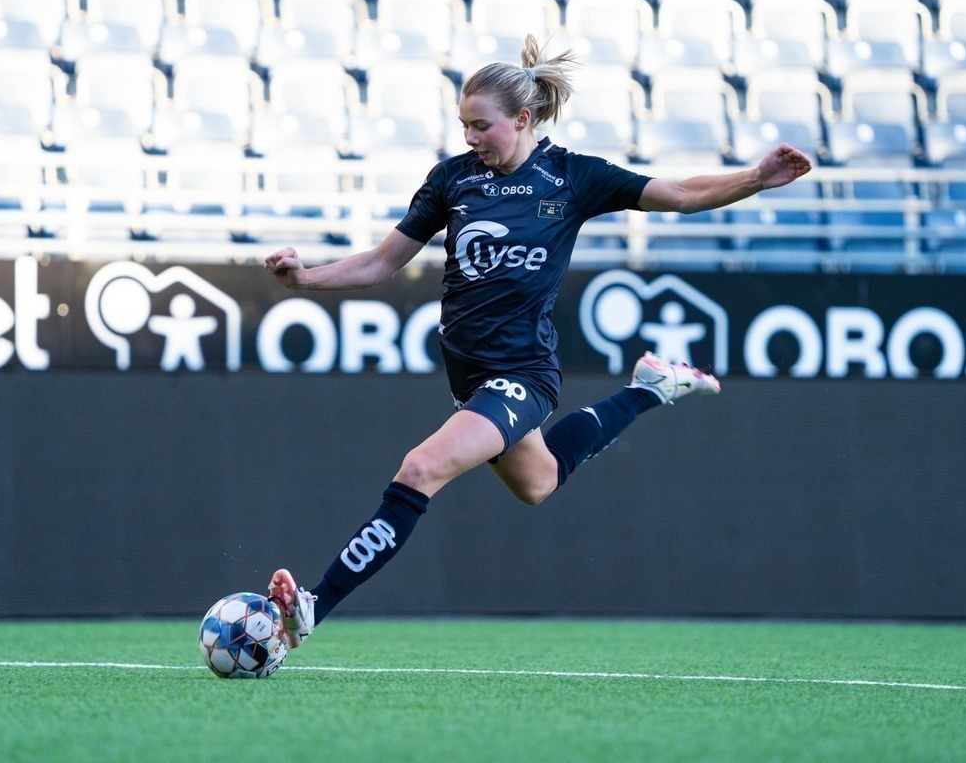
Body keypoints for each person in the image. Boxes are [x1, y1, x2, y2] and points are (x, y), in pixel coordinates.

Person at [262, 35, 812, 651]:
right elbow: (381, 261)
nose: (470, 137)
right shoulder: (452, 179)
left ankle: (313, 605)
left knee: (420, 469)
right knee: (539, 482)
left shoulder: (573, 176)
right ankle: (649, 389)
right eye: (464, 125)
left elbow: (679, 195)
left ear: (523, 118)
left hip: (523, 375)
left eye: (481, 126)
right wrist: (306, 279)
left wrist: (757, 178)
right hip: (470, 379)